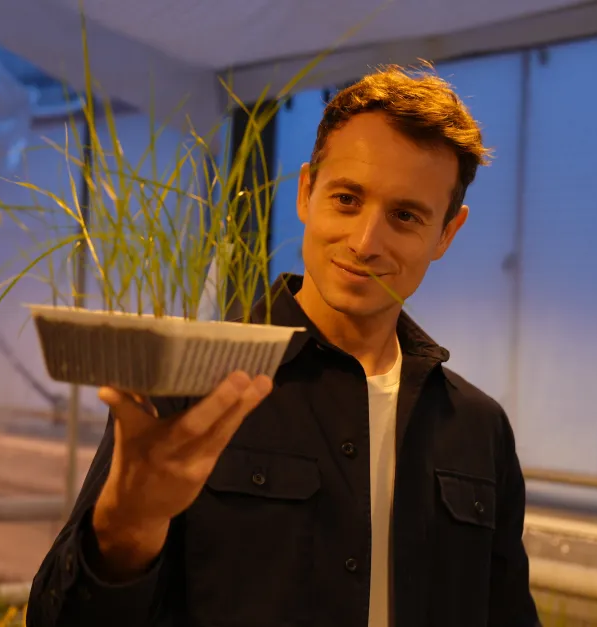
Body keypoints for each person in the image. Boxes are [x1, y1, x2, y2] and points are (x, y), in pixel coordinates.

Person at [27, 64, 541, 627]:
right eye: (347, 199)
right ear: (306, 192)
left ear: (447, 232)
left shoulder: (477, 429)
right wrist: (127, 524)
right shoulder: (193, 389)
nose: (365, 242)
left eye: (404, 216)